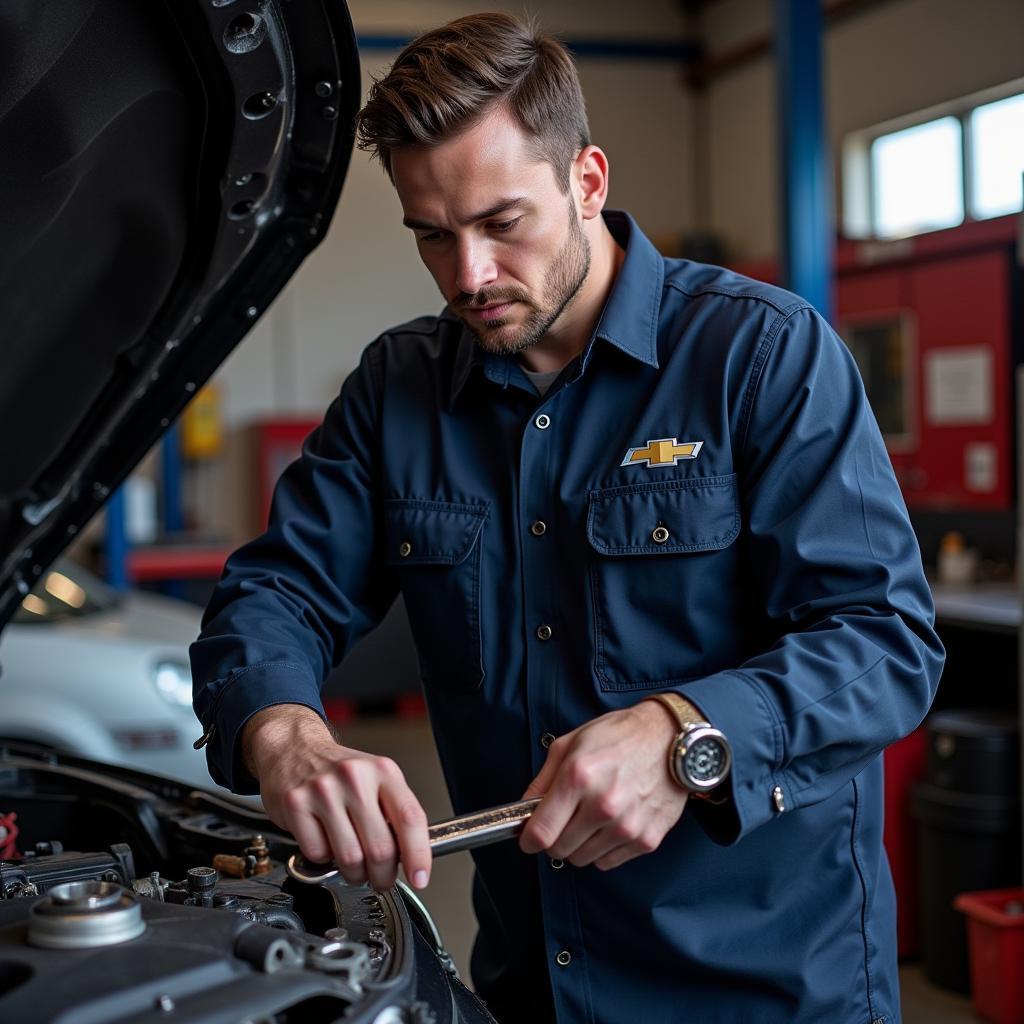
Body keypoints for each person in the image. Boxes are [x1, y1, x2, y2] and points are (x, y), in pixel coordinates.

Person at [190, 13, 944, 1023]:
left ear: (586, 181)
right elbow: (276, 590)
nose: (467, 276)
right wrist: (285, 735)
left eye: (502, 223)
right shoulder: (395, 391)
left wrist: (688, 731)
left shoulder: (761, 358)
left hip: (769, 988)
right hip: (534, 982)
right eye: (431, 234)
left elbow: (885, 641)